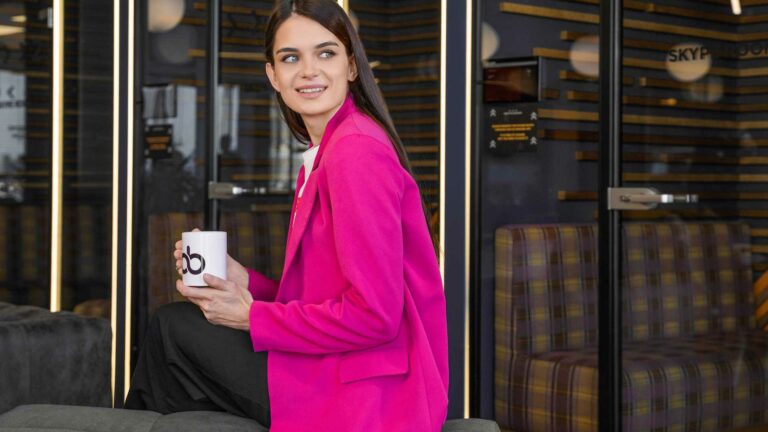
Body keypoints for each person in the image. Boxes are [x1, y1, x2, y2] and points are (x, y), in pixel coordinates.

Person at [124, 0, 449, 430]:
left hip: (371, 396)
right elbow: (325, 299)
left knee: (171, 329)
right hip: (349, 372)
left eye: (326, 53)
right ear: (273, 76)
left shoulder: (355, 153)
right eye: (291, 57)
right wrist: (247, 284)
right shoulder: (328, 152)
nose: (308, 70)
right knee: (178, 329)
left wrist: (251, 315)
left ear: (352, 66)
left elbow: (375, 317)